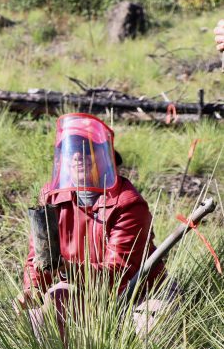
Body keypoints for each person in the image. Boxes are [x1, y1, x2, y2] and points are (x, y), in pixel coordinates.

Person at [19, 114, 165, 326]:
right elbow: (39, 255)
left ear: (106, 157)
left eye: (88, 149)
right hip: (79, 284)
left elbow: (118, 274)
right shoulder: (51, 196)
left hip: (138, 291)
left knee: (151, 328)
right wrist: (32, 290)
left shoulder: (128, 204)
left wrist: (67, 269)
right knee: (43, 313)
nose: (79, 156)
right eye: (74, 150)